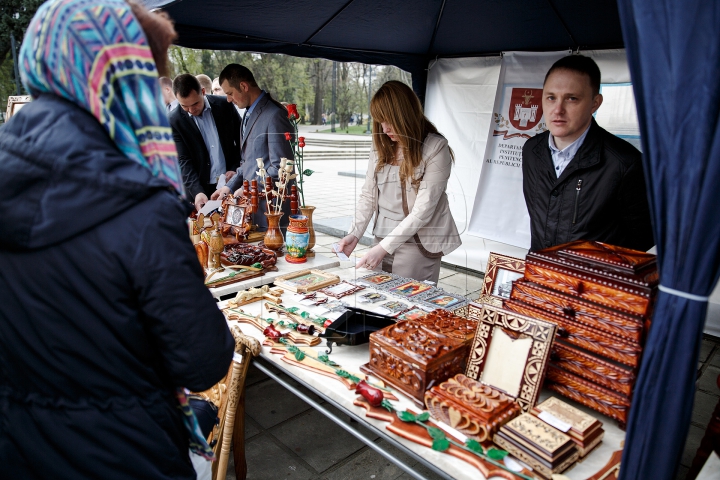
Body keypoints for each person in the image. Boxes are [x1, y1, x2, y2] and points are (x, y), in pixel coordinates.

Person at [0, 0, 234, 479]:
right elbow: (204, 359)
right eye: (147, 78)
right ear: (118, 78)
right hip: (127, 455)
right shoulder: (138, 202)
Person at [522, 55, 654, 252]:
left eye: (571, 98)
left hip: (591, 281)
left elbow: (643, 236)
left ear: (595, 103)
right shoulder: (532, 150)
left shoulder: (625, 163)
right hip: (541, 275)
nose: (558, 110)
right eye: (551, 97)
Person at [336, 81, 461, 283]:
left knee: (411, 309)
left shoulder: (436, 148)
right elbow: (368, 195)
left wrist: (383, 248)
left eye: (389, 120)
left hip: (418, 244)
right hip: (381, 239)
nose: (385, 129)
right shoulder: (381, 145)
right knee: (376, 304)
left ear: (404, 115)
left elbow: (423, 211)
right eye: (380, 121)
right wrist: (355, 234)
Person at [211, 64, 295, 230]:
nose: (228, 99)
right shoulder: (248, 113)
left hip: (271, 215)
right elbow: (248, 163)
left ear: (243, 86)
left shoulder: (275, 115)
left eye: (230, 93)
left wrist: (247, 189)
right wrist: (229, 187)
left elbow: (282, 168)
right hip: (253, 213)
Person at [170, 74, 241, 211]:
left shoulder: (225, 105)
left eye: (195, 103)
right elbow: (183, 160)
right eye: (184, 106)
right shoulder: (174, 121)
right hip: (199, 189)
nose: (191, 110)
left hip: (230, 183)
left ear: (203, 92)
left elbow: (242, 141)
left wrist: (235, 167)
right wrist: (197, 191)